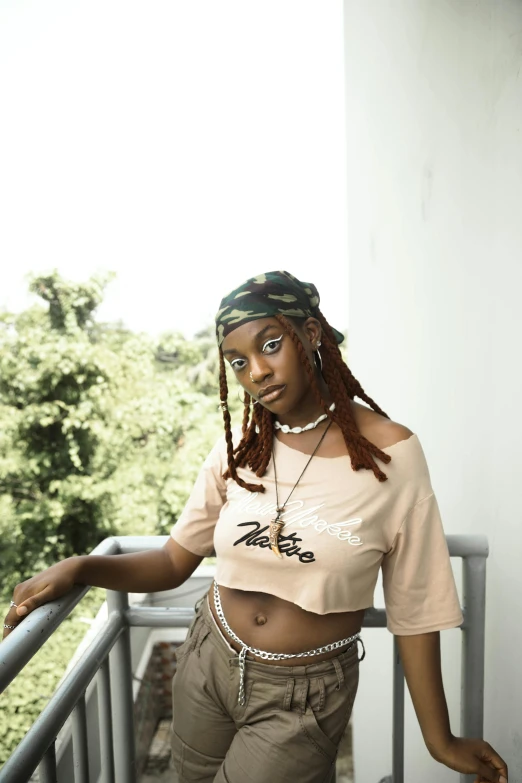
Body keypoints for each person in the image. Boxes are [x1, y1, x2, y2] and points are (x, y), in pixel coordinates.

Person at [3, 271, 508, 783]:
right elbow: (174, 561)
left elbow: (415, 607)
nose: (258, 373)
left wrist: (439, 739)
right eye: (239, 362)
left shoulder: (391, 455)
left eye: (270, 346)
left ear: (311, 334)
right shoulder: (242, 448)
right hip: (207, 659)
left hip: (303, 694)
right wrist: (83, 567)